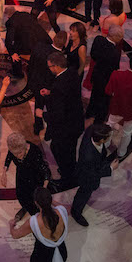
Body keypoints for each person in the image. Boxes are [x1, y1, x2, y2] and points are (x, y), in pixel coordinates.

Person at [8, 187, 69, 262]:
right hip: (61, 252)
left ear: (36, 203)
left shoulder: (33, 222)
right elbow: (58, 207)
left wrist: (11, 225)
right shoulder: (62, 211)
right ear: (50, 199)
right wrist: (49, 200)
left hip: (43, 259)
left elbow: (15, 235)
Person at [41, 52, 84, 185]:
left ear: (57, 66)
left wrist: (42, 115)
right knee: (70, 150)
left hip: (66, 127)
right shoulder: (72, 73)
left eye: (50, 67)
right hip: (77, 121)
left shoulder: (58, 86)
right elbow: (67, 95)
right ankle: (71, 169)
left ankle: (67, 176)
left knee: (59, 149)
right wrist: (50, 93)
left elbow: (58, 115)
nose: (49, 69)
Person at [71, 123, 119, 226]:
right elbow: (93, 173)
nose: (111, 137)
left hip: (92, 166)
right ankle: (76, 212)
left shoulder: (92, 131)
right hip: (86, 177)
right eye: (109, 136)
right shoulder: (89, 156)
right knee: (83, 194)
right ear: (102, 140)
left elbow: (93, 126)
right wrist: (111, 169)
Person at [2, 133, 51, 221]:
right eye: (15, 154)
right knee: (21, 195)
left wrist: (44, 189)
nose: (18, 156)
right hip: (21, 175)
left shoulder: (34, 151)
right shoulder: (14, 149)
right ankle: (29, 210)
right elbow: (9, 156)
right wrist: (4, 172)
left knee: (35, 199)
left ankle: (38, 216)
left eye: (20, 153)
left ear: (25, 147)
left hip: (35, 177)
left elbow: (45, 169)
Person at [29, 32, 68, 136]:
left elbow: (31, 64)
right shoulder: (59, 58)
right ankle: (49, 131)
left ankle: (37, 127)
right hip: (50, 87)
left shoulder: (39, 46)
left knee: (39, 105)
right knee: (51, 109)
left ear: (53, 38)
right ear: (65, 43)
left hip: (36, 82)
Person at [87, 24, 124, 122]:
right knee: (103, 101)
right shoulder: (114, 52)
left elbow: (93, 55)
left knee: (94, 95)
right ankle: (99, 120)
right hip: (106, 79)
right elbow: (115, 68)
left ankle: (89, 113)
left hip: (96, 74)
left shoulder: (98, 39)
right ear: (115, 37)